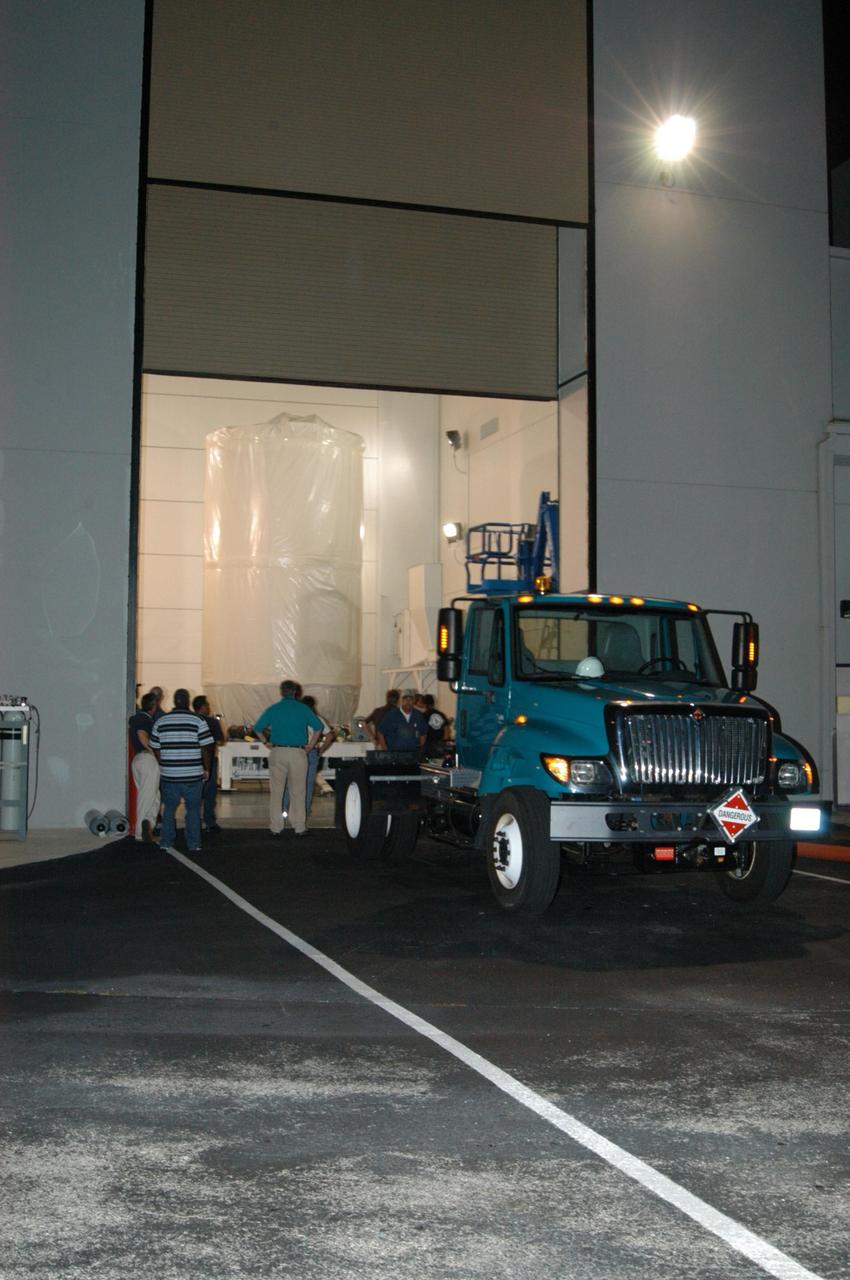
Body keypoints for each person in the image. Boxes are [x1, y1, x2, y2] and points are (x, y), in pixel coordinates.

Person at [254, 680, 323, 837]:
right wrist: (311, 745)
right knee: (298, 791)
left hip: (278, 751)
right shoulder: (303, 708)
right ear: (296, 693)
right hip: (298, 752)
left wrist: (266, 742)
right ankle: (299, 826)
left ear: (281, 692)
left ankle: (276, 827)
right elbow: (318, 727)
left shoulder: (273, 709)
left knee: (277, 791)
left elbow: (257, 728)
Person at [150, 689, 214, 854]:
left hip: (169, 774)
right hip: (192, 774)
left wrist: (162, 762)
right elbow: (206, 747)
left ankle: (166, 841)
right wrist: (206, 769)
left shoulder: (161, 721)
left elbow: (155, 746)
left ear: (174, 701)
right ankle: (194, 844)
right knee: (193, 810)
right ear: (187, 701)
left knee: (169, 809)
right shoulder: (198, 720)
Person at [128, 691, 160, 843]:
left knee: (153, 796)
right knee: (148, 797)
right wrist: (153, 751)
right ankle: (141, 832)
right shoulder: (144, 718)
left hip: (138, 760)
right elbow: (142, 735)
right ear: (153, 706)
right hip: (147, 759)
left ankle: (148, 824)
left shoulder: (136, 718)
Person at [192, 694, 225, 833]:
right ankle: (209, 822)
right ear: (203, 707)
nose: (209, 707)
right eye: (207, 705)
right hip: (209, 761)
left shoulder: (191, 720)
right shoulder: (212, 722)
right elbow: (220, 741)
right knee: (210, 793)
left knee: (193, 793)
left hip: (192, 761)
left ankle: (193, 821)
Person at [377, 688, 427, 753]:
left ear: (414, 701)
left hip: (413, 755)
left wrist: (421, 750)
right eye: (405, 699)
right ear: (401, 701)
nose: (408, 702)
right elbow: (380, 732)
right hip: (395, 755)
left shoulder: (418, 715)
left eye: (410, 699)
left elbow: (423, 733)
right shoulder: (392, 715)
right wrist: (385, 750)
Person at [420, 693, 450, 758]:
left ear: (423, 703)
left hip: (428, 745)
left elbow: (422, 732)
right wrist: (444, 742)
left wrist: (421, 746)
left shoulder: (423, 715)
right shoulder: (441, 714)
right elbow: (446, 730)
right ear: (433, 702)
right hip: (440, 744)